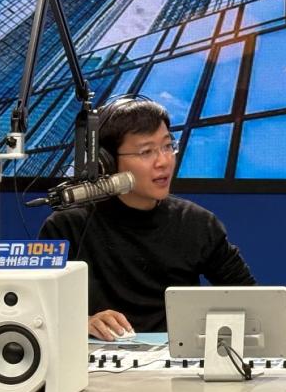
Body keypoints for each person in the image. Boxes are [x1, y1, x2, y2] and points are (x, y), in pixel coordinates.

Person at [39, 96, 256, 341]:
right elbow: (37, 313)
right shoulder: (67, 226)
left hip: (175, 358)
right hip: (95, 358)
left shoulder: (197, 223)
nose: (163, 161)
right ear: (106, 163)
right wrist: (82, 321)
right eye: (146, 152)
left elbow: (253, 302)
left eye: (167, 146)